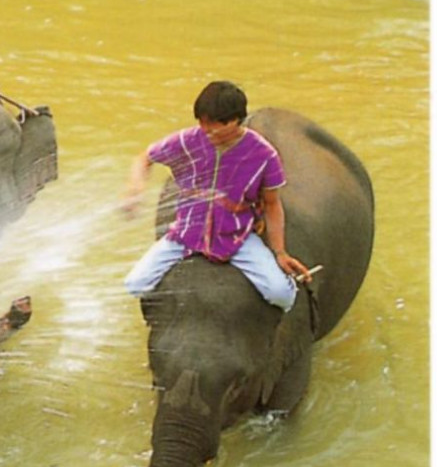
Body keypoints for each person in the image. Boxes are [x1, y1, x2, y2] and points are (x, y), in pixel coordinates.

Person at [121, 80, 310, 311]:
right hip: (186, 233)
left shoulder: (263, 155)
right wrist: (135, 188)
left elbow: (272, 204)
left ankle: (290, 285)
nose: (205, 129)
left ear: (235, 120)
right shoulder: (189, 140)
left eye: (212, 124)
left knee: (281, 294)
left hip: (236, 237)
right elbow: (144, 158)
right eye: (201, 121)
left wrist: (280, 252)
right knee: (134, 284)